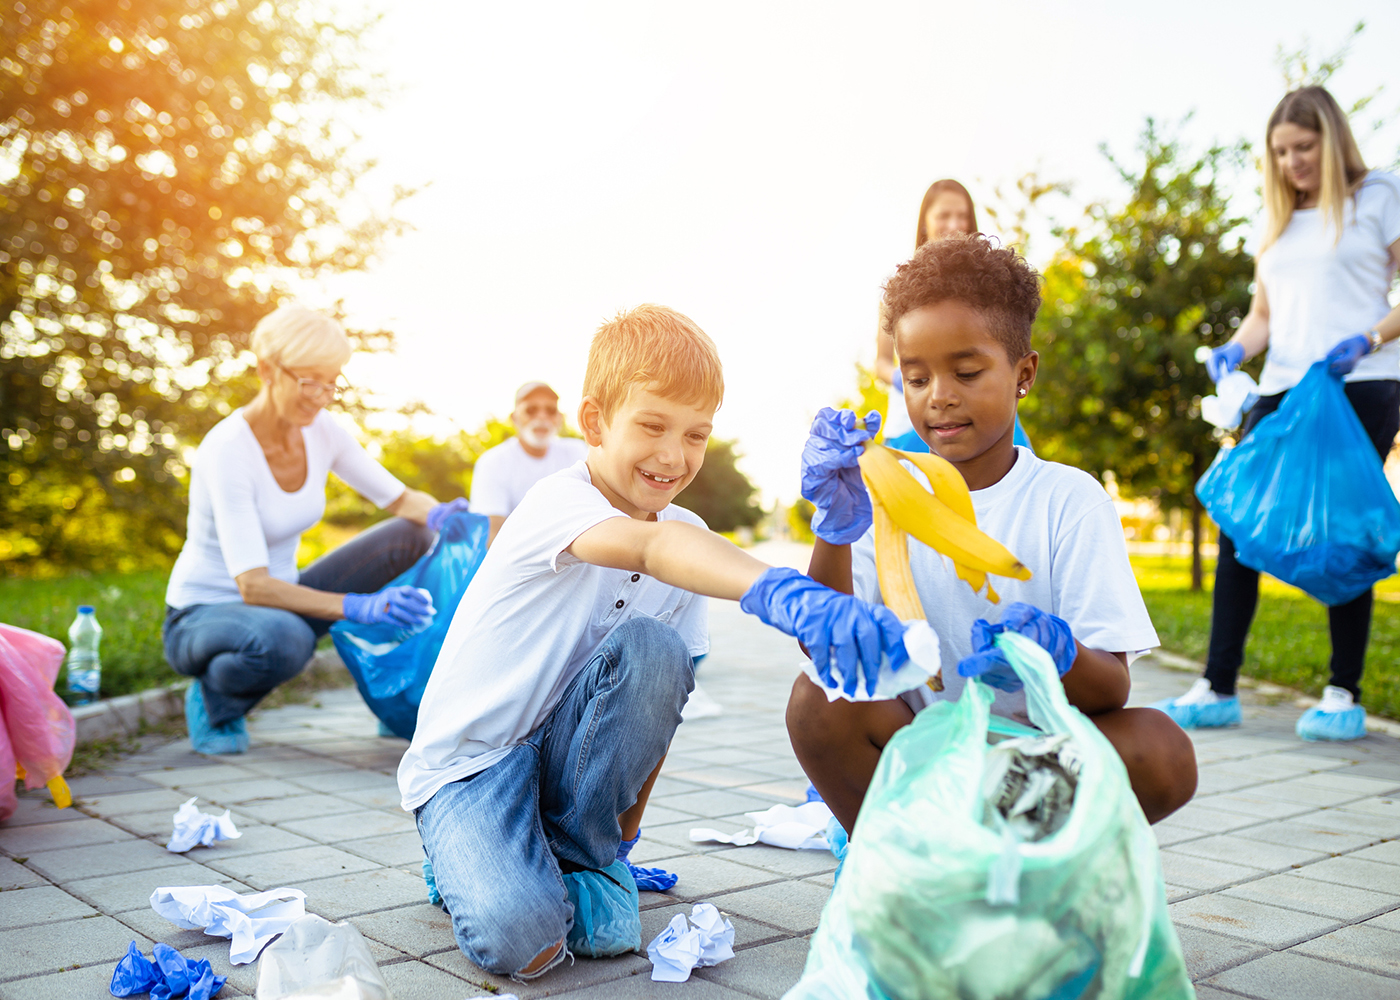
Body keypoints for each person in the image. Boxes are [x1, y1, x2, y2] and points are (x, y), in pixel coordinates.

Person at [399, 304, 910, 980]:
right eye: (651, 426)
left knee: (657, 650)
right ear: (594, 423)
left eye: (696, 435)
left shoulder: (686, 532)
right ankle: (468, 858)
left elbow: (660, 701)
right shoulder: (558, 502)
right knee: (525, 942)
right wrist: (782, 594)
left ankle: (570, 853)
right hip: (473, 764)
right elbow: (650, 544)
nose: (674, 456)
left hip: (564, 763)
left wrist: (621, 841)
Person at [788, 235, 1198, 845]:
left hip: (1038, 766)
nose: (939, 396)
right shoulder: (884, 499)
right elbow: (829, 652)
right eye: (917, 377)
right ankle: (898, 865)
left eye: (967, 371)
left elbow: (1112, 687)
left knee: (1163, 750)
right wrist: (834, 531)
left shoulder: (1069, 501)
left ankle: (1028, 866)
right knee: (814, 704)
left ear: (1023, 373)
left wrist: (1056, 653)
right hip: (924, 756)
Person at [1155, 86, 1400, 742]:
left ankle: (1342, 692)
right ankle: (1218, 685)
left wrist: (1372, 338)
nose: (1292, 161)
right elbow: (1265, 315)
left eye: (1304, 147)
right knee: (1239, 522)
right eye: (1281, 152)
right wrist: (1235, 348)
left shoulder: (1378, 197)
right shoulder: (1278, 221)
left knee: (1340, 533)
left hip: (1360, 383)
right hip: (1283, 386)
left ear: (1331, 139)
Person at [163, 305, 471, 755]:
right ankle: (214, 699)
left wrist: (443, 516)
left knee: (413, 533)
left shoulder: (321, 430)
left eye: (331, 382)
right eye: (309, 381)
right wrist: (358, 606)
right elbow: (252, 586)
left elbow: (401, 501)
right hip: (202, 615)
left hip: (281, 598)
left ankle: (394, 692)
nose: (321, 396)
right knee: (288, 641)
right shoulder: (229, 450)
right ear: (266, 370)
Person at [875, 178, 1031, 453]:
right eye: (944, 215)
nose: (954, 224)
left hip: (985, 417)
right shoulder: (899, 290)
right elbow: (881, 362)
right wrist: (908, 378)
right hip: (913, 428)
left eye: (962, 216)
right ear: (925, 222)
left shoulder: (993, 285)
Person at [470, 382, 588, 544]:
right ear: (515, 418)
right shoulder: (492, 462)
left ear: (559, 418)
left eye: (550, 410)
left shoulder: (578, 451)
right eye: (531, 410)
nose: (542, 417)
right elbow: (491, 534)